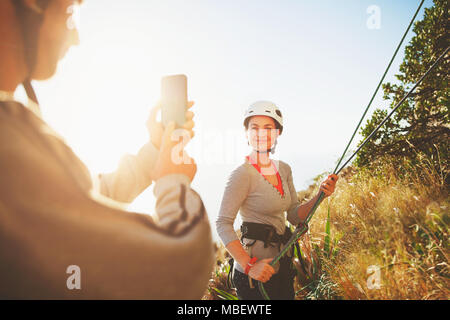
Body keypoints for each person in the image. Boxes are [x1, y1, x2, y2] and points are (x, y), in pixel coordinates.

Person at [0, 0, 214, 299]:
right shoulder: (9, 142)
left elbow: (77, 206)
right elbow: (178, 267)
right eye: (68, 13)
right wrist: (173, 181)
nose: (75, 37)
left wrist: (154, 151)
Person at [216, 101, 338, 300]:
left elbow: (292, 214)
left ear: (277, 133)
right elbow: (222, 223)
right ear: (246, 133)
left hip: (282, 269)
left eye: (268, 128)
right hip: (253, 278)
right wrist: (250, 267)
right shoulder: (241, 174)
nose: (261, 133)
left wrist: (320, 195)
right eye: (254, 127)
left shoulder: (284, 169)